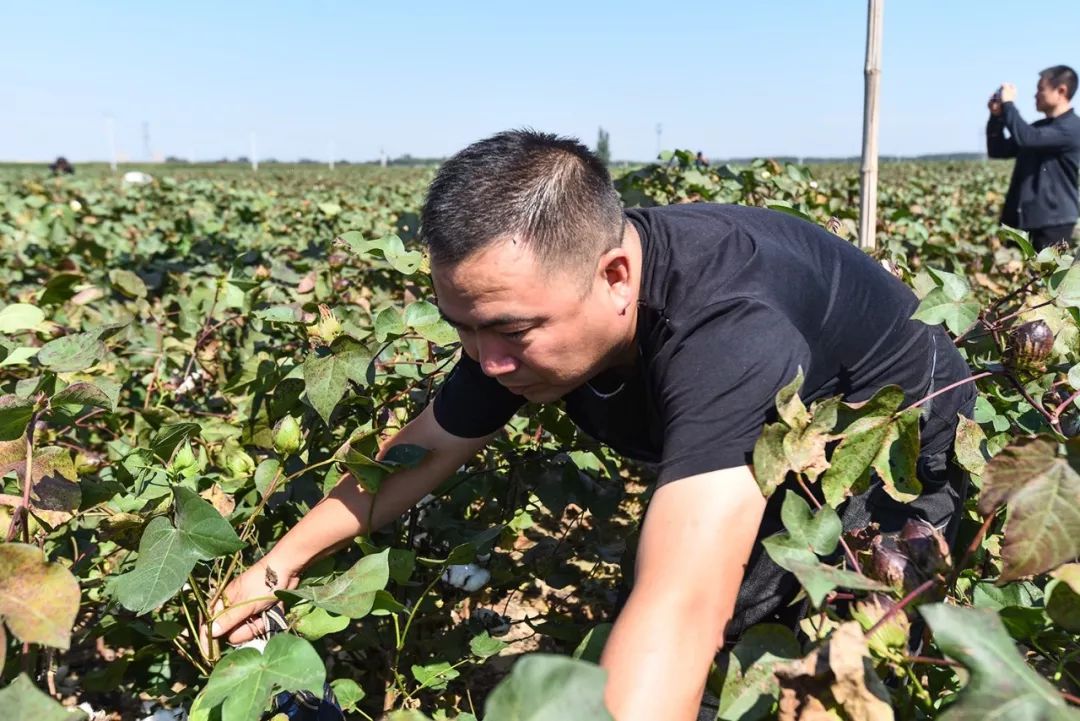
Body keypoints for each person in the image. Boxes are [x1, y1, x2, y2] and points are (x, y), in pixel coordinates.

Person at [208, 131, 975, 721]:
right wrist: (277, 566)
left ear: (615, 276)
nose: (487, 362)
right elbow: (428, 444)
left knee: (782, 656)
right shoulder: (532, 306)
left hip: (896, 443)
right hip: (772, 423)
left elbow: (684, 603)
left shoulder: (728, 331)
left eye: (510, 331)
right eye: (464, 330)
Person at [987, 65, 1080, 251]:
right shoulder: (1039, 128)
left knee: (1045, 279)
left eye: (1040, 89)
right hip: (1021, 220)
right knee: (1015, 278)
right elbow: (998, 150)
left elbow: (1027, 138)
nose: (1035, 95)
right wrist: (996, 117)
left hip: (1052, 223)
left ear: (1061, 90)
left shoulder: (1072, 128)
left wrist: (1008, 105)